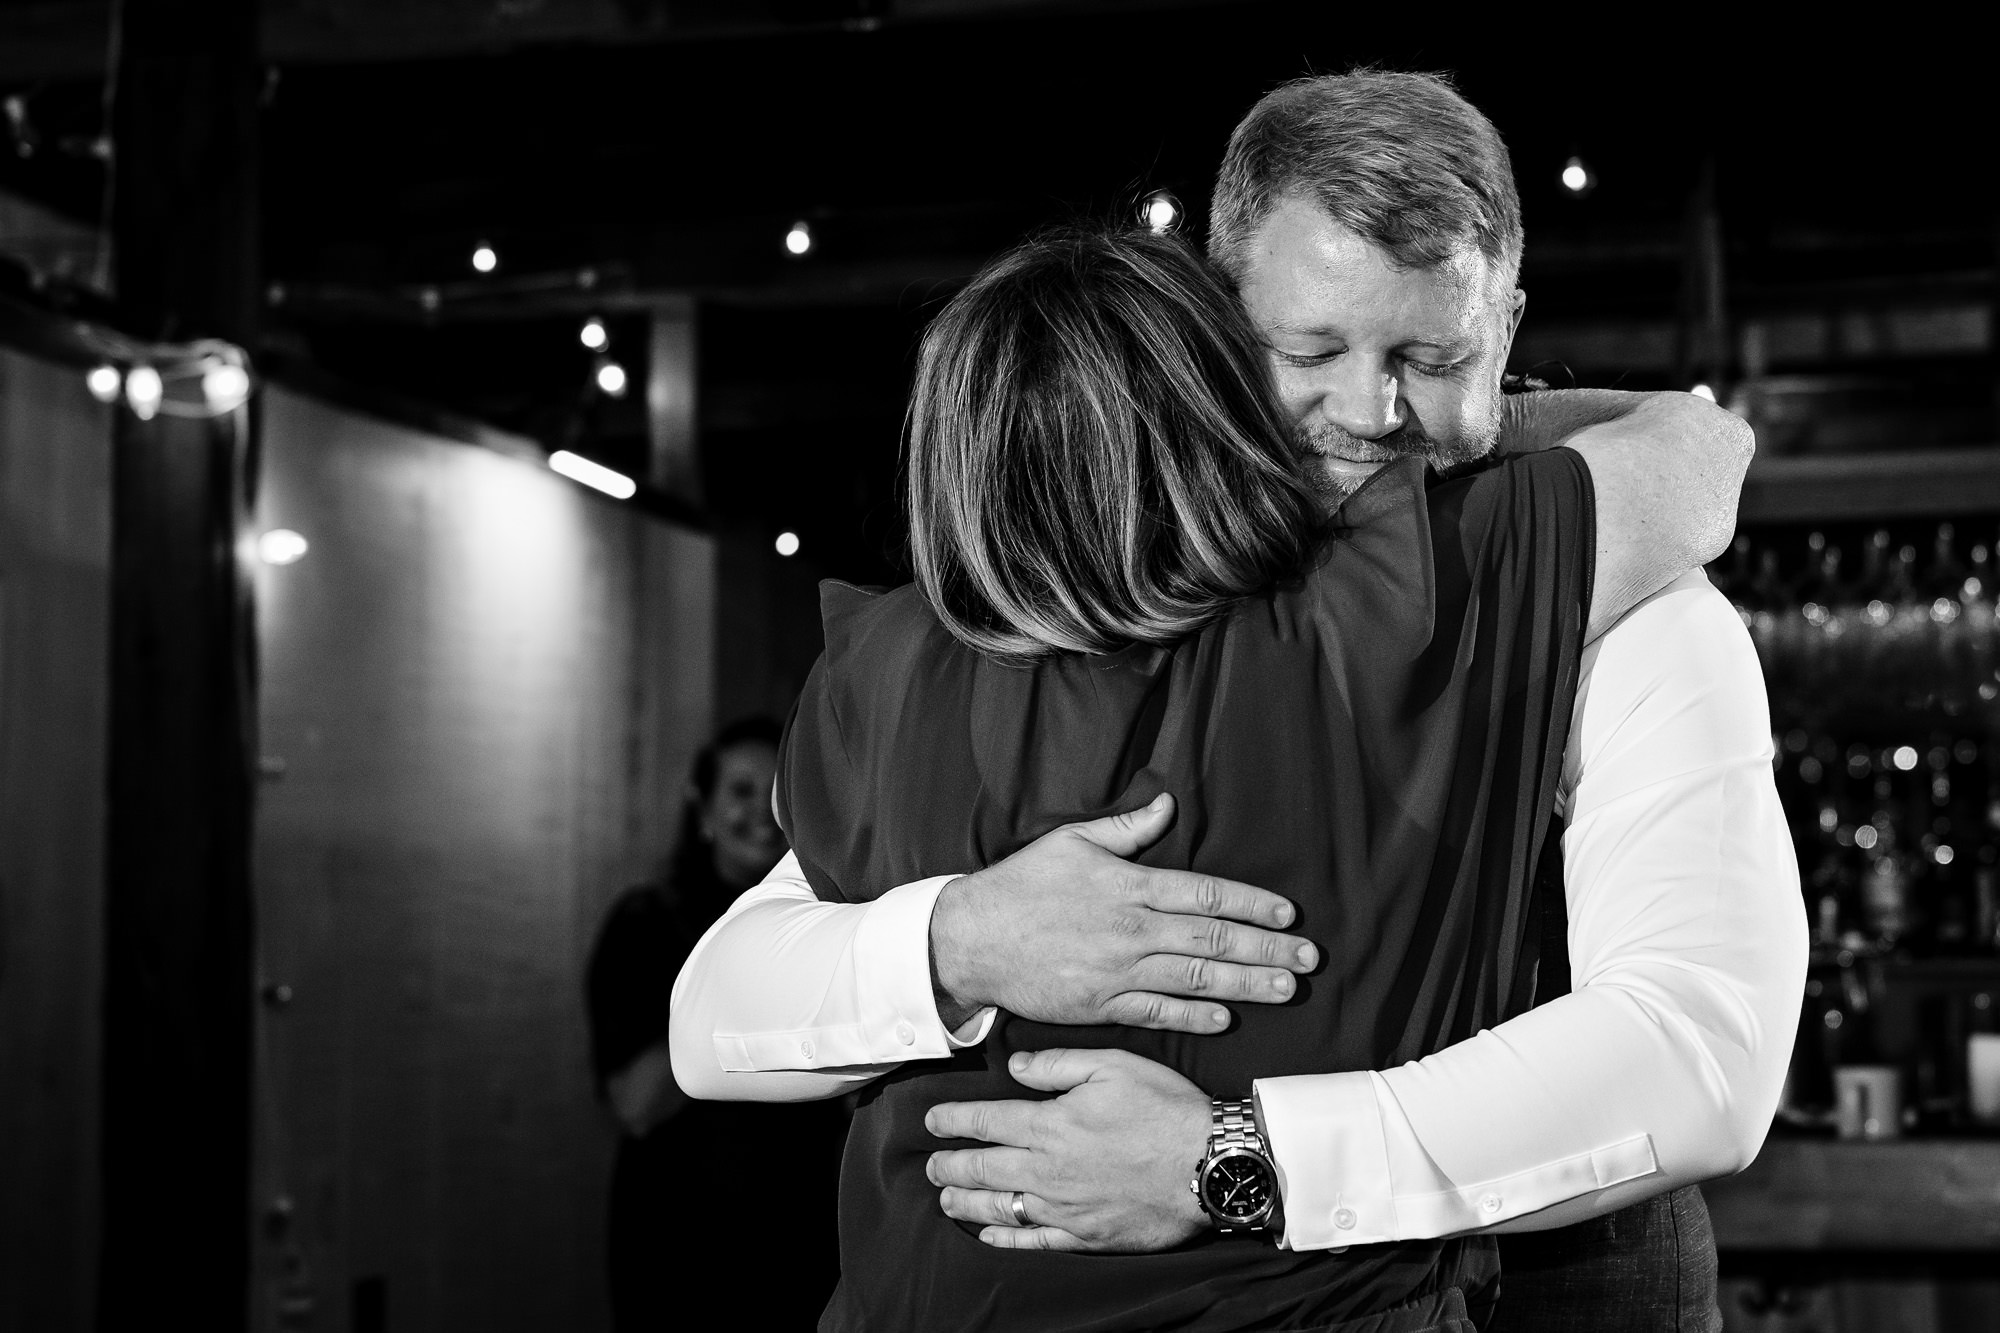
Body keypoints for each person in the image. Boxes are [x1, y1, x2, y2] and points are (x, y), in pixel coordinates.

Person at [674, 72, 1803, 1331]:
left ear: (1506, 327)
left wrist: (1232, 1159)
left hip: (1568, 1260)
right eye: (1310, 351)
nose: (1372, 415)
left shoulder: (1626, 600)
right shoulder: (1103, 600)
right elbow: (726, 1002)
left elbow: (1698, 1051)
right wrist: (961, 937)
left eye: (1433, 359)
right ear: (1216, 329)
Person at [585, 716, 843, 1331]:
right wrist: (736, 991)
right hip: (683, 1239)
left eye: (776, 794)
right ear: (701, 813)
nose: (762, 813)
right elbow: (636, 1104)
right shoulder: (647, 923)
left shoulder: (826, 923)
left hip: (801, 1234)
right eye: (740, 792)